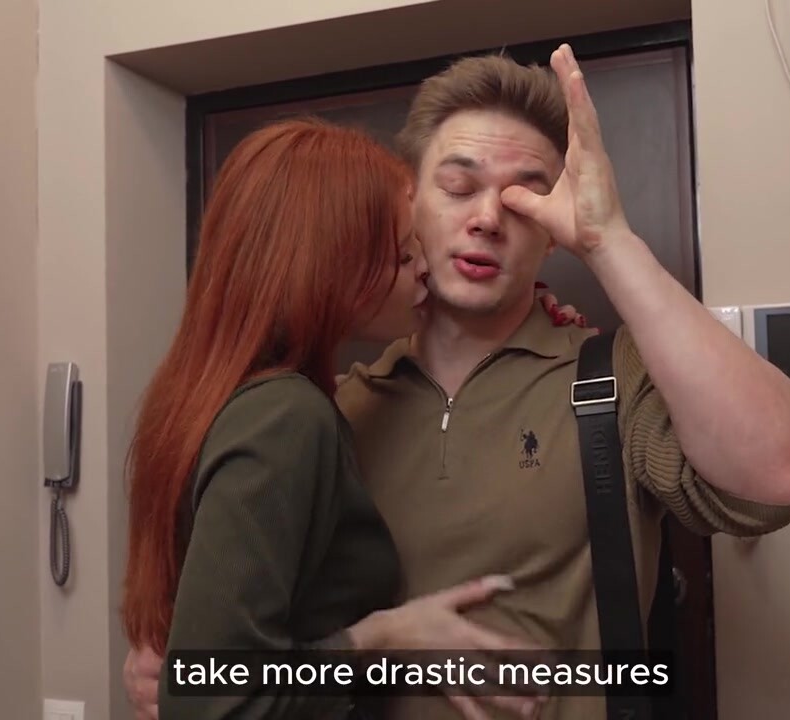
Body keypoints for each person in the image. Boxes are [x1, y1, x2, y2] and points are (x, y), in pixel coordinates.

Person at [127, 44, 790, 719]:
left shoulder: (607, 380)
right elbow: (228, 651)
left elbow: (783, 475)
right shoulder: (329, 406)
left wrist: (609, 241)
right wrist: (169, 661)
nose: (489, 218)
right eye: (458, 186)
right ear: (406, 203)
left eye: (526, 198)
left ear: (552, 231)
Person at [121, 117, 580, 720]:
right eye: (401, 255)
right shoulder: (286, 414)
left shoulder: (220, 393)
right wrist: (382, 638)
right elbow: (213, 697)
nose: (421, 269)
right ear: (329, 267)